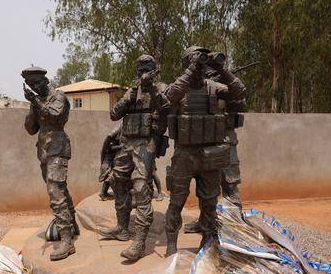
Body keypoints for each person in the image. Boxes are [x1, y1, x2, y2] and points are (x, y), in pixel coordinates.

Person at [163, 46, 246, 256]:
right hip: (184, 155)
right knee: (176, 200)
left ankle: (207, 243)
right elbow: (169, 97)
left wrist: (223, 69)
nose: (201, 64)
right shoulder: (179, 87)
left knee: (209, 202)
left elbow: (240, 92)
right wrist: (191, 70)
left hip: (211, 155)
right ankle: (171, 244)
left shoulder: (214, 86)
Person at [98, 55, 170, 261]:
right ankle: (122, 228)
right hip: (126, 142)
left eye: (147, 68)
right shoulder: (132, 90)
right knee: (117, 181)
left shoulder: (162, 88)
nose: (143, 72)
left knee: (140, 188)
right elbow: (114, 114)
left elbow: (166, 108)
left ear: (154, 69)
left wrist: (153, 89)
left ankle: (139, 242)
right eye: (140, 69)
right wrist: (131, 92)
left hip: (146, 143)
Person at [22, 66, 79, 261]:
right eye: (31, 85)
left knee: (55, 192)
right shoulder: (37, 101)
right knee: (59, 188)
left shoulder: (59, 97)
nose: (35, 87)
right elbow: (31, 129)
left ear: (46, 81)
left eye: (37, 83)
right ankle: (73, 226)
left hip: (58, 147)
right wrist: (32, 106)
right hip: (44, 150)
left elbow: (55, 117)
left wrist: (36, 102)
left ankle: (67, 241)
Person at [184, 59, 245, 234]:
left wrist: (225, 78)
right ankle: (205, 222)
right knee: (206, 188)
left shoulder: (226, 88)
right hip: (207, 140)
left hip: (225, 141)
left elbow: (240, 100)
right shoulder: (205, 86)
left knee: (230, 183)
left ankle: (235, 229)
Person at [98, 124, 122, 200]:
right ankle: (103, 193)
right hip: (107, 163)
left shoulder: (114, 142)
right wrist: (120, 147)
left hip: (109, 163)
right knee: (108, 179)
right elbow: (110, 149)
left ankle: (104, 193)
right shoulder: (111, 143)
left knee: (108, 179)